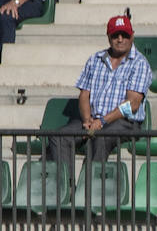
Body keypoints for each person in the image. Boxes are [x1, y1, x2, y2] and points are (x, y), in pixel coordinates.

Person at [43, 14, 150, 176]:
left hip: (124, 122)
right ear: (108, 37)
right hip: (93, 119)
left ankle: (90, 191)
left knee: (100, 137)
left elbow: (132, 104)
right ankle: (67, 189)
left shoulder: (140, 63)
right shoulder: (95, 59)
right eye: (115, 35)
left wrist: (102, 121)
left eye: (125, 35)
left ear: (132, 36)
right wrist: (87, 120)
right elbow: (84, 94)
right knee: (59, 138)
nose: (120, 39)